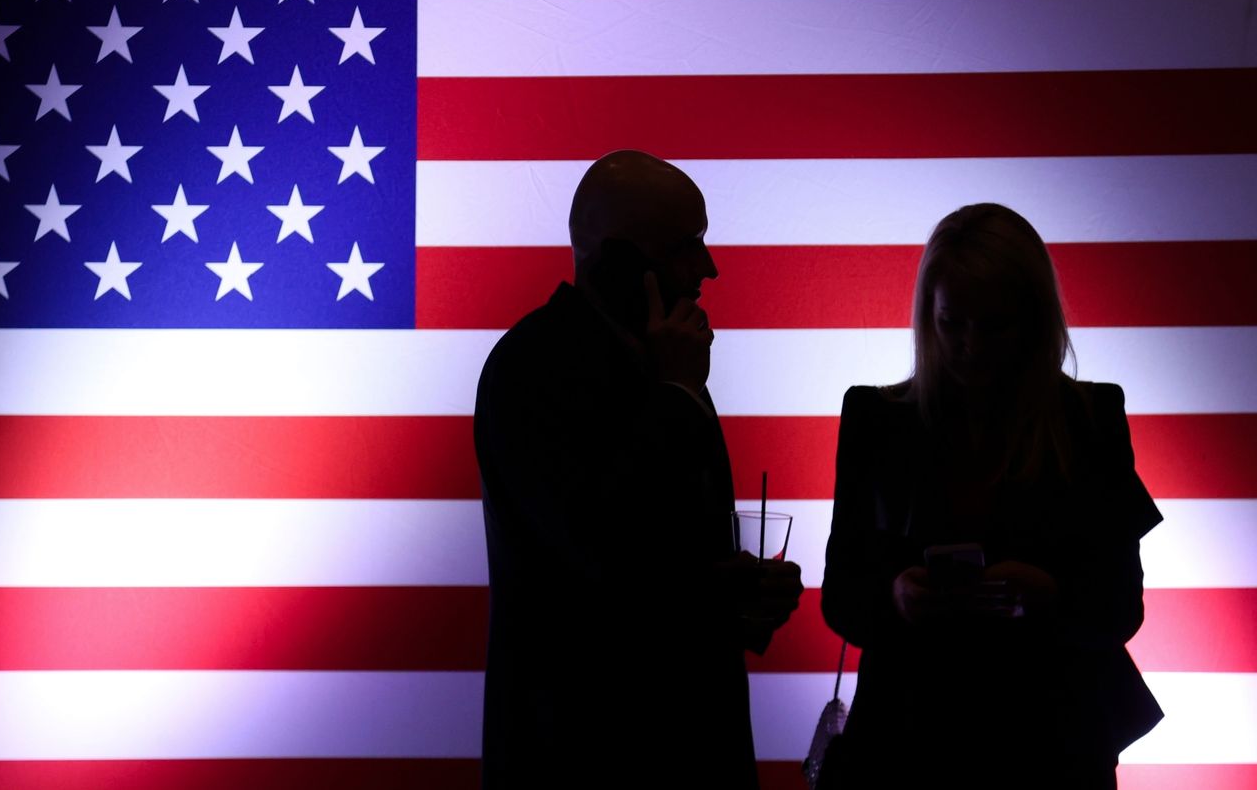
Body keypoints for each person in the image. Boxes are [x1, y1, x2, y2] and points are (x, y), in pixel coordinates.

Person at [474, 150, 804, 789]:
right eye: (687, 247)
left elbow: (666, 563)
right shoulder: (531, 367)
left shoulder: (662, 362)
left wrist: (737, 598)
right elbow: (601, 551)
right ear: (620, 264)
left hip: (687, 745)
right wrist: (677, 395)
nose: (708, 269)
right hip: (583, 757)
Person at [818, 203, 1163, 788]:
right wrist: (896, 597)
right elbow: (841, 597)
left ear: (1034, 320)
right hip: (911, 738)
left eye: (994, 324)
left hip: (1046, 740)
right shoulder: (876, 419)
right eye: (953, 323)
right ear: (928, 315)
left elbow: (1120, 606)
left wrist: (1051, 594)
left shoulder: (1091, 420)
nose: (971, 346)